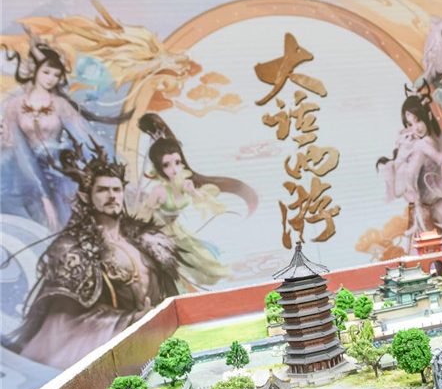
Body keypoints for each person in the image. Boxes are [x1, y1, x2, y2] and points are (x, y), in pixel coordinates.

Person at [2, 147, 180, 369]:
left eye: (116, 189)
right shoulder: (73, 250)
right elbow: (60, 327)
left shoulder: (150, 242)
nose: (112, 196)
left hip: (163, 341)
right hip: (118, 355)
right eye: (103, 190)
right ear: (86, 196)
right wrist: (129, 320)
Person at [1, 42, 126, 230]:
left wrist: (102, 165)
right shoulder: (15, 105)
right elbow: (13, 145)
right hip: (23, 171)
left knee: (65, 220)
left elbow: (85, 137)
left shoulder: (60, 105)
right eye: (46, 72)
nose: (51, 79)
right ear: (35, 71)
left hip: (57, 170)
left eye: (56, 75)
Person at [136, 113, 258, 287]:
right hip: (161, 233)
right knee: (177, 267)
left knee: (201, 256)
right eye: (167, 165)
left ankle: (225, 280)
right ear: (159, 167)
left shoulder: (184, 184)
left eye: (177, 162)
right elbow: (143, 215)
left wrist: (194, 192)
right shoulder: (159, 191)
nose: (174, 169)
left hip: (178, 231)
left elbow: (203, 201)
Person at [376, 85, 442, 251]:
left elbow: (403, 188)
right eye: (410, 124)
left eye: (418, 120)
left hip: (439, 207)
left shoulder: (424, 144)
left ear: (428, 115)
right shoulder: (426, 142)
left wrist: (401, 161)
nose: (415, 128)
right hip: (432, 209)